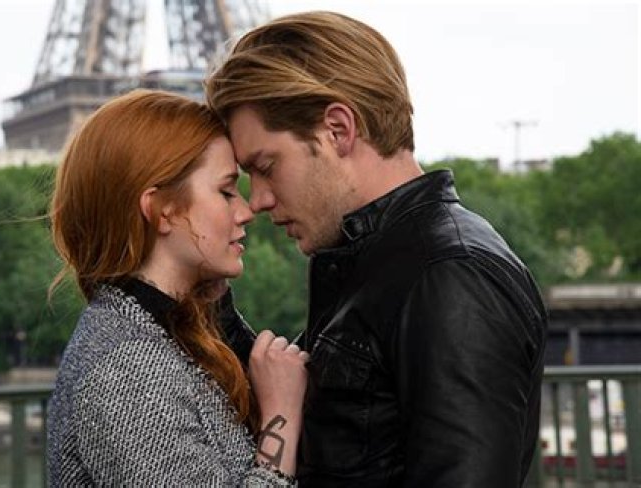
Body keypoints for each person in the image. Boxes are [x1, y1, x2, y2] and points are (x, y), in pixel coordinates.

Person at [206, 11, 548, 487]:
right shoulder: (389, 262)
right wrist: (204, 288)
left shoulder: (450, 276)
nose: (257, 200)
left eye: (266, 167)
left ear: (338, 130)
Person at [46, 89, 308, 486]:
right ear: (162, 210)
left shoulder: (151, 333)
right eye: (226, 191)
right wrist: (281, 418)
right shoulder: (128, 370)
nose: (246, 210)